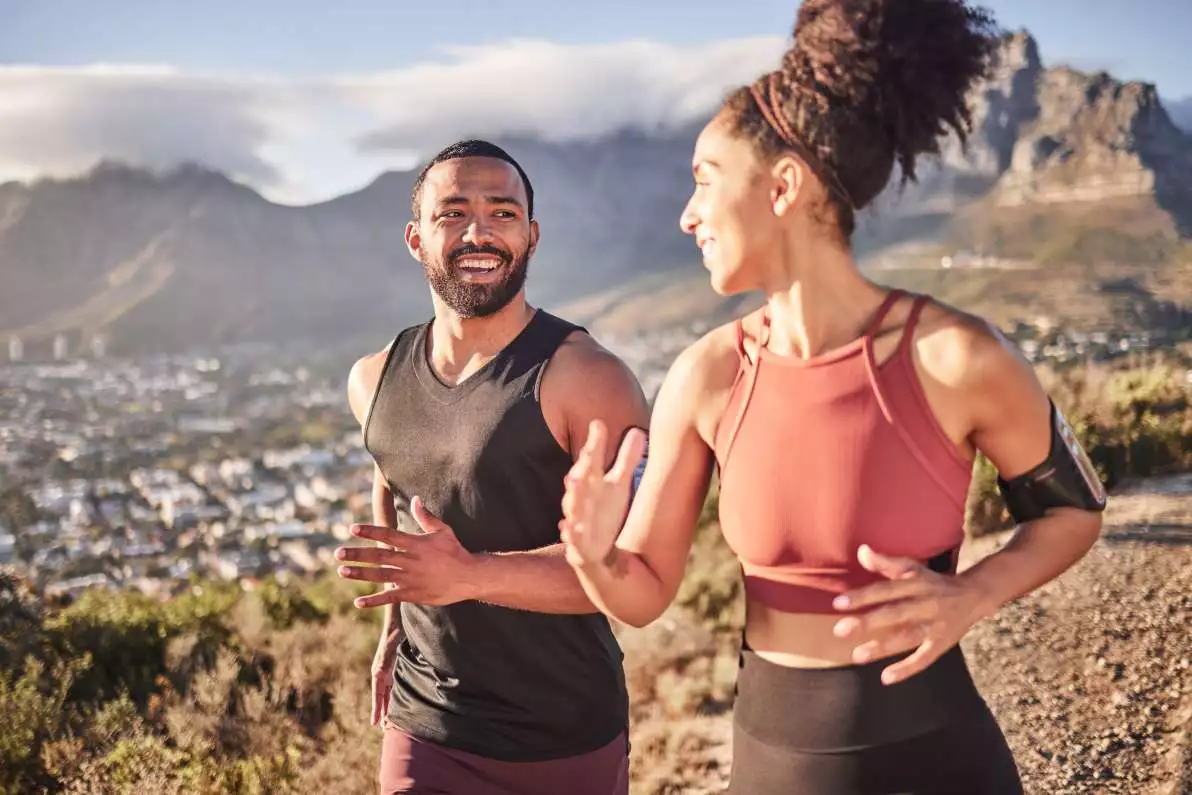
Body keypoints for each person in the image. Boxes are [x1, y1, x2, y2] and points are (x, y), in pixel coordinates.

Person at [556, 1, 1107, 793]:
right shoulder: (706, 375)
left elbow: (1073, 511)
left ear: (782, 185)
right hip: (774, 763)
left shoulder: (956, 357)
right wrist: (593, 554)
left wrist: (972, 594)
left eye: (704, 181)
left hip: (942, 758)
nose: (687, 216)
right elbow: (641, 593)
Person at [335, 139, 649, 795]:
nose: (479, 231)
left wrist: (467, 575)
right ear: (416, 237)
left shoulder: (588, 378)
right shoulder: (372, 380)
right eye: (453, 213)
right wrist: (394, 624)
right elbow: (392, 470)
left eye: (502, 213)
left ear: (531, 236)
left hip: (563, 731)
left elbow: (629, 570)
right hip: (426, 724)